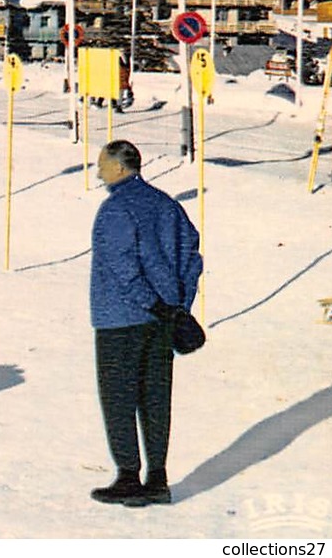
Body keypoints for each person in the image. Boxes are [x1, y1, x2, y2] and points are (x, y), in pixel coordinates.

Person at [88, 139, 203, 507]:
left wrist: (152, 303)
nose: (99, 171)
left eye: (103, 165)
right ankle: (158, 477)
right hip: (162, 321)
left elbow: (122, 268)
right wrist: (177, 307)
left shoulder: (115, 210)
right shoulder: (168, 206)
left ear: (121, 168)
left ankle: (127, 475)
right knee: (156, 398)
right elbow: (192, 258)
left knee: (119, 397)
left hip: (121, 319)